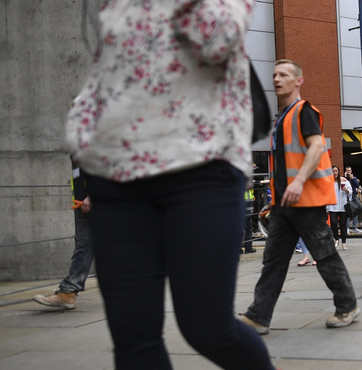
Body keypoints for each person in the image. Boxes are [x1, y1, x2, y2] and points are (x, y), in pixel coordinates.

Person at [63, 2, 274, 368]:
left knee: (208, 329)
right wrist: (82, 130)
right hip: (115, 175)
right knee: (133, 341)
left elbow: (218, 38)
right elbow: (112, 64)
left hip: (201, 166)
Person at [239, 59, 360, 336]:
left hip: (306, 202)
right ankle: (258, 316)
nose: (277, 79)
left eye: (284, 74)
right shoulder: (282, 117)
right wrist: (276, 196)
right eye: (274, 75)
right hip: (285, 204)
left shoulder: (303, 111)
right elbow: (284, 163)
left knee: (325, 255)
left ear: (299, 81)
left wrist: (298, 182)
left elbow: (317, 147)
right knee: (273, 260)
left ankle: (348, 306)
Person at [34, 162, 94, 310]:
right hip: (83, 206)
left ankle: (69, 291)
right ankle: (68, 293)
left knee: (88, 246)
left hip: (96, 203)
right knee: (85, 246)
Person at [327, 166, 352, 250]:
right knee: (333, 223)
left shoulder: (344, 181)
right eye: (333, 171)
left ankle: (344, 242)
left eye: (336, 171)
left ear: (338, 171)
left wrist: (346, 190)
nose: (335, 173)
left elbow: (350, 192)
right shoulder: (329, 182)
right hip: (333, 206)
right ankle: (336, 239)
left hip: (343, 206)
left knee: (343, 224)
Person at [344, 166, 362, 233]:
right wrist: (345, 177)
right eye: (347, 170)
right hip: (346, 197)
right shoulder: (344, 179)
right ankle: (347, 227)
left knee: (356, 212)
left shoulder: (354, 178)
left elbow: (357, 186)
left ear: (351, 171)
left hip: (353, 197)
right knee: (348, 213)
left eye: (350, 170)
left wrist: (352, 179)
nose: (349, 172)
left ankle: (355, 227)